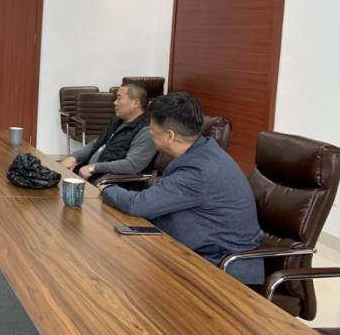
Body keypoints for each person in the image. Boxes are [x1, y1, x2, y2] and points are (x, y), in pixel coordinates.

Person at [100, 93, 263, 284]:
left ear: (169, 136)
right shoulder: (203, 150)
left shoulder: (198, 170)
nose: (149, 133)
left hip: (222, 270)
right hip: (194, 253)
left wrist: (106, 188)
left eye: (152, 129)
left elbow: (139, 205)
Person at [60, 83, 156, 183]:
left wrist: (94, 168)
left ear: (135, 103)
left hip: (112, 183)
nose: (115, 102)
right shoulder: (118, 121)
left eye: (119, 98)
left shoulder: (146, 130)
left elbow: (132, 165)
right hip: (92, 176)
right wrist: (74, 157)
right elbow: (96, 143)